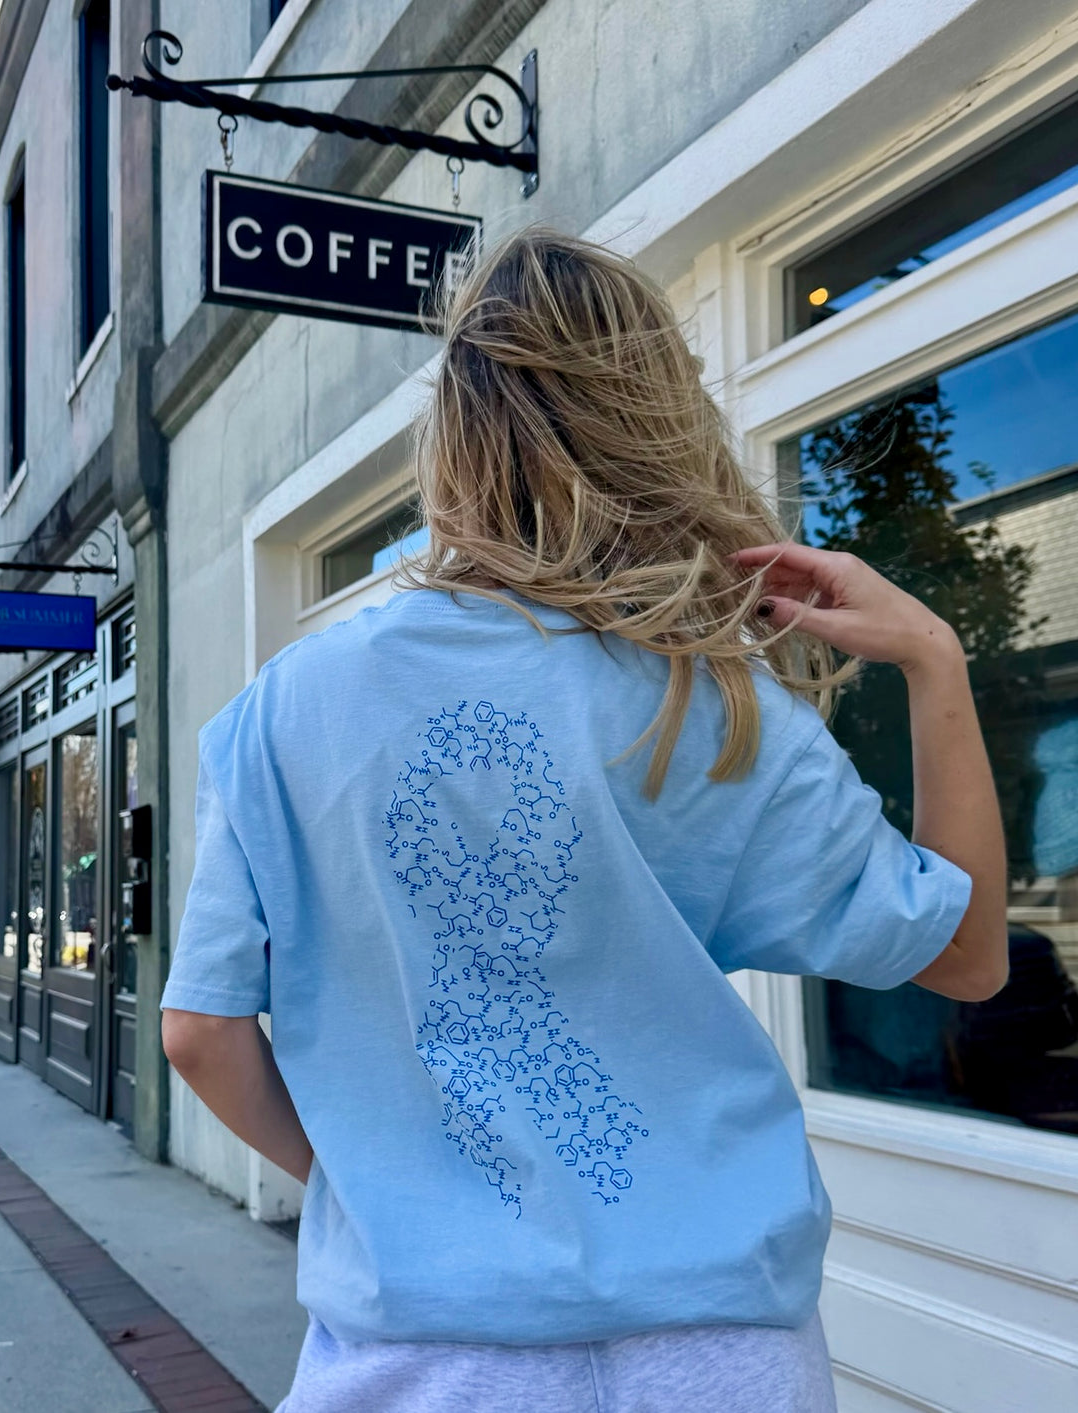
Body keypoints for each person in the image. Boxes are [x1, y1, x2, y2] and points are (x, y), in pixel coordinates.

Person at [160, 226, 1008, 1413]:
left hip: (419, 1365)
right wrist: (934, 659)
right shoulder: (710, 704)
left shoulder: (281, 713)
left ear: (451, 436)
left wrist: (384, 1177)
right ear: (661, 419)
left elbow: (201, 1036)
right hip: (718, 1358)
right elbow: (967, 957)